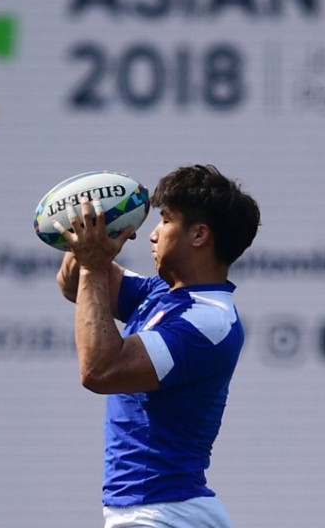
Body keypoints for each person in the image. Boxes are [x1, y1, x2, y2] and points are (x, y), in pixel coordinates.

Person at [55, 164, 260, 528]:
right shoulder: (160, 294)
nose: (152, 235)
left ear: (199, 235)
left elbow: (101, 371)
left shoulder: (207, 320)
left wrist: (92, 265)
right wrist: (95, 232)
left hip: (163, 515)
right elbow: (76, 285)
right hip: (156, 513)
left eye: (165, 220)